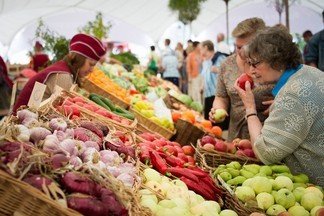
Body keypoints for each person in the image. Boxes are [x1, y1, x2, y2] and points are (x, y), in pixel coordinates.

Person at [235, 26, 324, 186]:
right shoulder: (310, 72)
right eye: (249, 63)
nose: (251, 71)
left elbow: (265, 152)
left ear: (276, 61)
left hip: (314, 187)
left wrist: (249, 107)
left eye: (255, 63)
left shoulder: (291, 94)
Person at [209, 18, 274, 141]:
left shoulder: (272, 64)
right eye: (236, 46)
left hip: (268, 138)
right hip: (236, 138)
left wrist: (281, 104)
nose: (238, 51)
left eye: (243, 47)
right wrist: (218, 109)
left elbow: (294, 89)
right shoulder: (227, 64)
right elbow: (221, 97)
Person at [13, 33, 106, 113]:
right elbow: (66, 112)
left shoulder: (62, 68)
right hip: (21, 126)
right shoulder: (63, 76)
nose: (91, 69)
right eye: (91, 64)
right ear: (79, 59)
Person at [200, 40, 226, 120]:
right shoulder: (205, 62)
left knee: (218, 120)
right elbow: (204, 77)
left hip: (218, 95)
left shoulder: (220, 58)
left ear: (206, 47)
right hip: (208, 94)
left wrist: (218, 70)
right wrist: (202, 86)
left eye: (201, 48)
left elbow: (228, 72)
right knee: (209, 120)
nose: (200, 51)